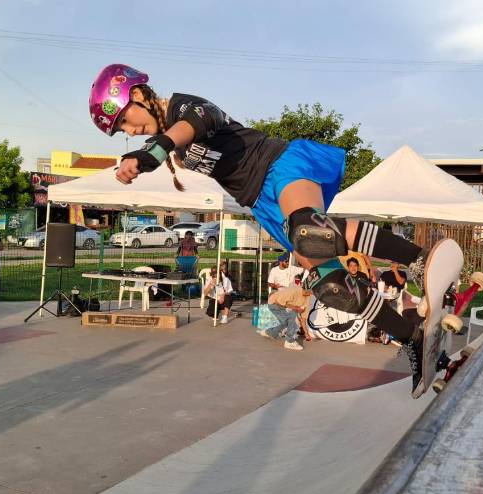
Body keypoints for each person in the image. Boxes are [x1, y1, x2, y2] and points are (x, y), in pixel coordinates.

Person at [90, 64, 447, 398]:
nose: (129, 130)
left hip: (280, 166)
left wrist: (149, 153)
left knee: (310, 230)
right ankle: (411, 337)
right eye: (122, 130)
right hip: (262, 204)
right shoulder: (172, 145)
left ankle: (420, 259)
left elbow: (193, 125)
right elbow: (174, 143)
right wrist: (143, 155)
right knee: (331, 285)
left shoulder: (184, 106)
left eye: (125, 120)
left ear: (137, 96)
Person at [259, 286, 313, 351]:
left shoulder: (308, 300)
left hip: (285, 306)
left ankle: (269, 333)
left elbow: (303, 319)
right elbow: (277, 301)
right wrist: (295, 308)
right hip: (274, 303)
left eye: (313, 292)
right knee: (290, 318)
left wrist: (306, 333)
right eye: (311, 290)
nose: (312, 293)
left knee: (288, 320)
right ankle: (289, 341)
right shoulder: (294, 290)